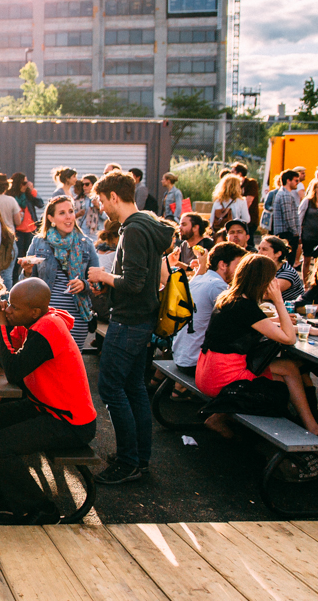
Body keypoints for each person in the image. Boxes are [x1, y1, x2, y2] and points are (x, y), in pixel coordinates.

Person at [0, 278, 97, 523]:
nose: (8, 310)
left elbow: (14, 371)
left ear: (34, 311)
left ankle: (42, 509)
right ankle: (4, 495)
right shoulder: (29, 323)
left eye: (14, 307)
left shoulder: (49, 327)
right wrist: (0, 325)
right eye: (8, 304)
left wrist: (1, 325)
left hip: (70, 422)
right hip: (45, 407)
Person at [194, 254, 318, 446]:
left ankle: (312, 427)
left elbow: (261, 325)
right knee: (280, 386)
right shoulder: (246, 306)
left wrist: (304, 329)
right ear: (262, 280)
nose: (274, 282)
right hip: (223, 377)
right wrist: (279, 301)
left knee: (288, 368)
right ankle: (304, 430)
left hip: (208, 370)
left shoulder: (231, 299)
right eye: (271, 278)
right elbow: (288, 339)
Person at [87, 171, 174, 485]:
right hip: (141, 319)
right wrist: (109, 285)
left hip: (129, 321)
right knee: (135, 388)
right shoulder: (146, 223)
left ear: (114, 196)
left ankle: (128, 462)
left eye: (102, 200)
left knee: (111, 388)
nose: (101, 208)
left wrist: (103, 276)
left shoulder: (134, 230)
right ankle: (139, 459)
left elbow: (134, 283)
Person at [20, 195, 100, 349]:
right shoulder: (39, 243)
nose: (68, 216)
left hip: (76, 317)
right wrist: (27, 272)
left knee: (72, 359)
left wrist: (84, 284)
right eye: (62, 213)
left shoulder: (86, 245)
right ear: (51, 218)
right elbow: (26, 285)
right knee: (46, 359)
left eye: (71, 211)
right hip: (46, 316)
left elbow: (97, 284)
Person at [173, 243, 246, 371]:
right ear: (223, 265)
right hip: (196, 362)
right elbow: (239, 321)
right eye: (239, 266)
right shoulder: (217, 286)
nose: (241, 271)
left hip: (182, 356)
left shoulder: (200, 279)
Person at [6, 172, 43, 268]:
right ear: (17, 183)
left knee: (30, 257)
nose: (26, 185)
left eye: (27, 183)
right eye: (24, 183)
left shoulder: (28, 195)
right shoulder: (11, 196)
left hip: (30, 230)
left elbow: (40, 204)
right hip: (18, 231)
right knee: (18, 258)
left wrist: (33, 190)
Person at [257, 235, 304, 302]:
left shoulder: (287, 272)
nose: (259, 252)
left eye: (264, 249)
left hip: (288, 307)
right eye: (259, 249)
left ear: (278, 254)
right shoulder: (262, 267)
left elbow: (266, 294)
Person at [298, 178, 318, 280]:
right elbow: (300, 218)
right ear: (314, 188)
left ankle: (316, 281)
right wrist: (299, 234)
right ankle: (305, 283)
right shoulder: (307, 201)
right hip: (308, 235)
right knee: (307, 260)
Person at [269, 169, 302, 262]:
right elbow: (288, 217)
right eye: (296, 180)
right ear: (288, 180)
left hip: (284, 232)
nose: (297, 183)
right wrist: (295, 232)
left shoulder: (282, 193)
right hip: (287, 233)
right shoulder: (285, 195)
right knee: (288, 261)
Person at [231, 163, 259, 232]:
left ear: (239, 174)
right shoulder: (235, 186)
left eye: (232, 172)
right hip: (237, 220)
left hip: (250, 220)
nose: (230, 174)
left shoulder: (251, 183)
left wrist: (240, 214)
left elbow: (248, 202)